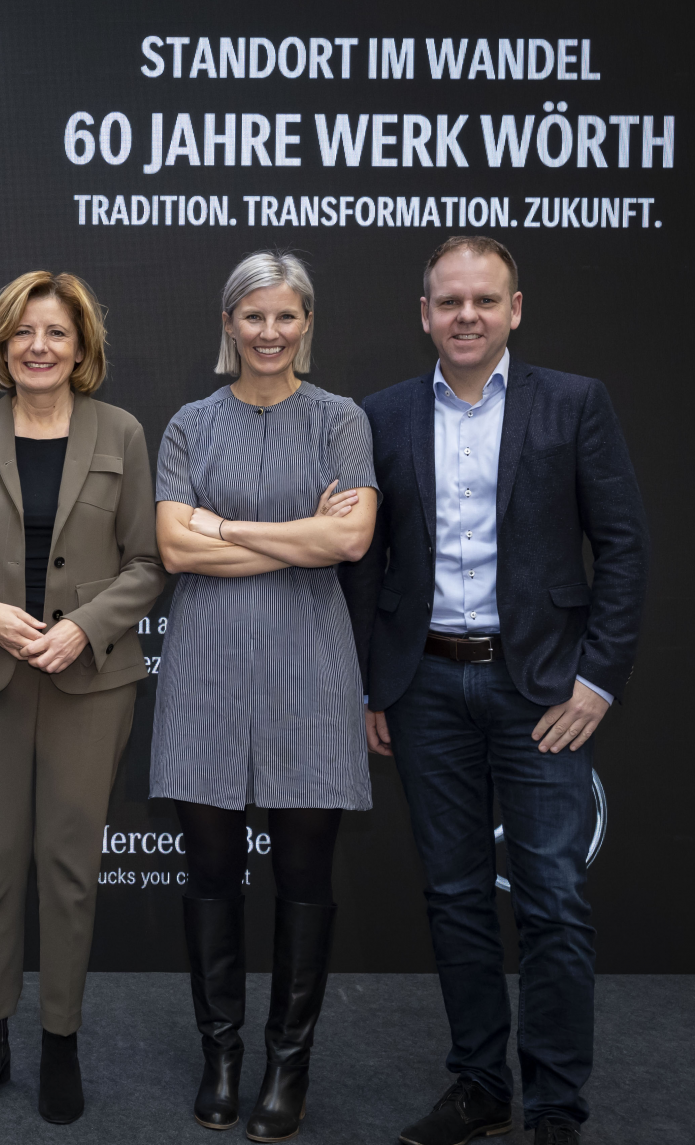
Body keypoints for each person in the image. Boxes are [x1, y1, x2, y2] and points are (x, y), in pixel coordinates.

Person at [341, 237, 647, 1145]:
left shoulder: (574, 404)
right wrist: (370, 686)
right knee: (456, 894)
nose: (465, 316)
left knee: (552, 897)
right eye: (448, 302)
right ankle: (479, 1084)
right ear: (424, 314)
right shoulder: (385, 416)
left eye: (484, 300)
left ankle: (554, 1106)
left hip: (543, 689)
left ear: (516, 309)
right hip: (424, 686)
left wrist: (599, 680)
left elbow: (625, 547)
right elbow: (367, 564)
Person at [0, 270, 165, 1125]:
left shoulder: (122, 433)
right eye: (23, 333)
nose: (39, 348)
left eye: (56, 333)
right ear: (1, 346)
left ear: (82, 345)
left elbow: (147, 563)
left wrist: (84, 627)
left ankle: (61, 1040)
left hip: (89, 682)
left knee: (68, 871)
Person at [152, 251, 377, 1142]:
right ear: (228, 324)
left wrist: (230, 526)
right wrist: (301, 535)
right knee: (210, 875)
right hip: (204, 670)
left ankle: (289, 1068)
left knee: (304, 877)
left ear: (308, 323)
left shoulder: (342, 420)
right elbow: (174, 549)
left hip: (309, 670)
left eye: (287, 317)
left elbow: (352, 539)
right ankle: (222, 1057)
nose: (270, 334)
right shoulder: (188, 424)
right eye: (254, 317)